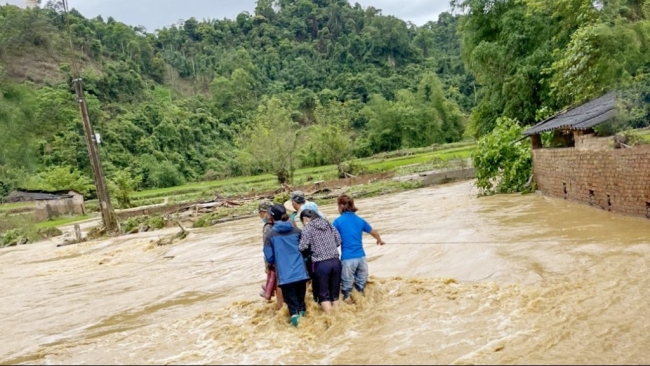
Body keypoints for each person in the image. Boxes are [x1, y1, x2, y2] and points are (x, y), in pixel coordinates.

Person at [332, 194, 385, 302]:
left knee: (346, 288)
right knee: (360, 285)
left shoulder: (338, 222)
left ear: (341, 206)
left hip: (347, 260)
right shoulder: (360, 220)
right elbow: (374, 232)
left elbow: (329, 236)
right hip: (361, 258)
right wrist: (379, 240)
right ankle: (359, 303)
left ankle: (349, 304)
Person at [264, 204, 310, 327]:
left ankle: (299, 331)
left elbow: (269, 258)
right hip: (301, 273)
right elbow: (306, 250)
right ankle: (308, 326)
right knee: (301, 304)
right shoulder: (297, 231)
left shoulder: (270, 236)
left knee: (293, 308)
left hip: (285, 277)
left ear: (272, 218)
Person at [298, 209, 342, 314]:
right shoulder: (328, 224)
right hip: (336, 262)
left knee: (323, 295)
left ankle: (333, 321)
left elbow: (302, 247)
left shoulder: (308, 228)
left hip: (321, 264)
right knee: (335, 294)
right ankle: (339, 317)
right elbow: (339, 240)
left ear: (305, 219)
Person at [258, 201, 284, 310]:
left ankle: (280, 306)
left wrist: (267, 266)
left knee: (277, 283)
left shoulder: (268, 227)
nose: (259, 215)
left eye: (260, 213)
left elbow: (267, 248)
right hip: (287, 259)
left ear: (265, 212)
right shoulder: (287, 223)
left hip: (275, 261)